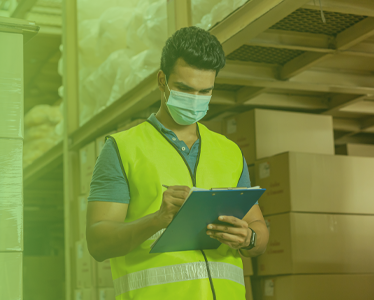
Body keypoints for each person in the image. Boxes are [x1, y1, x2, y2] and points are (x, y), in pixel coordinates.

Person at [85, 26, 268, 300]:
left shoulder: (229, 151)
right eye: (184, 88)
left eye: (205, 91)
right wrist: (157, 220)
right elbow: (98, 242)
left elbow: (259, 230)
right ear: (162, 80)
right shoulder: (122, 148)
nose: (194, 99)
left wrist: (248, 238)